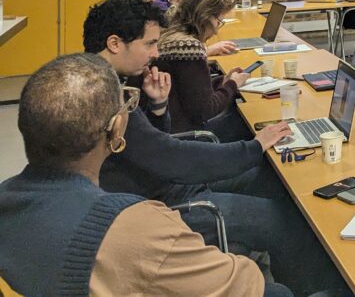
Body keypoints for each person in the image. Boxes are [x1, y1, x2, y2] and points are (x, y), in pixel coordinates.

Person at [84, 0, 345, 296]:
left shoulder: (112, 80)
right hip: (165, 202)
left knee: (270, 177)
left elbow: (150, 146)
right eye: (150, 44)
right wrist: (254, 146)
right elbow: (170, 156)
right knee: (288, 223)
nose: (156, 53)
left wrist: (157, 106)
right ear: (115, 43)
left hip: (168, 182)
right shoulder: (103, 97)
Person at [0, 53, 283, 296]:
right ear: (116, 129)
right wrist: (239, 263)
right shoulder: (134, 227)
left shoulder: (8, 201)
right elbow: (241, 284)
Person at [156, 0, 252, 140]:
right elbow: (205, 111)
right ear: (205, 17)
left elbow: (191, 90)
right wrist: (232, 85)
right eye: (218, 22)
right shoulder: (189, 47)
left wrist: (223, 82)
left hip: (169, 124)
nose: (217, 30)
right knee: (249, 121)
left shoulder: (170, 36)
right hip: (185, 134)